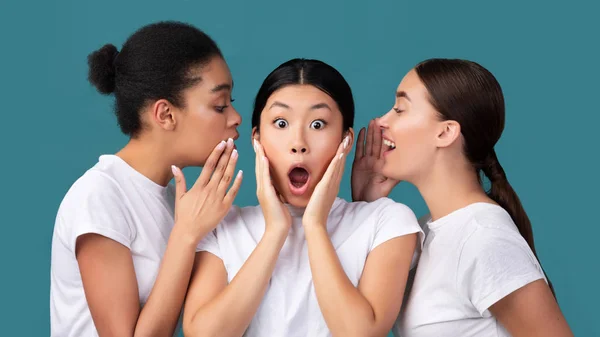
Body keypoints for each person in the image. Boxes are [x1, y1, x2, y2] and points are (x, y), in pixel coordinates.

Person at [182, 58, 423, 337]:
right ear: (256, 138)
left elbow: (360, 333)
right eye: (281, 123)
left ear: (345, 140)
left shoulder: (387, 222)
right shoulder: (223, 226)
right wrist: (275, 231)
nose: (299, 143)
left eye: (318, 124)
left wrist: (316, 225)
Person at [352, 58, 573, 337]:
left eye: (400, 109)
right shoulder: (421, 233)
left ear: (445, 132)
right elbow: (356, 319)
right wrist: (367, 208)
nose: (381, 121)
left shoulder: (484, 239)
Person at [50, 21, 243, 337]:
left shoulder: (173, 201)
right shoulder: (99, 196)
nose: (235, 118)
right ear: (165, 114)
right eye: (219, 105)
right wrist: (186, 234)